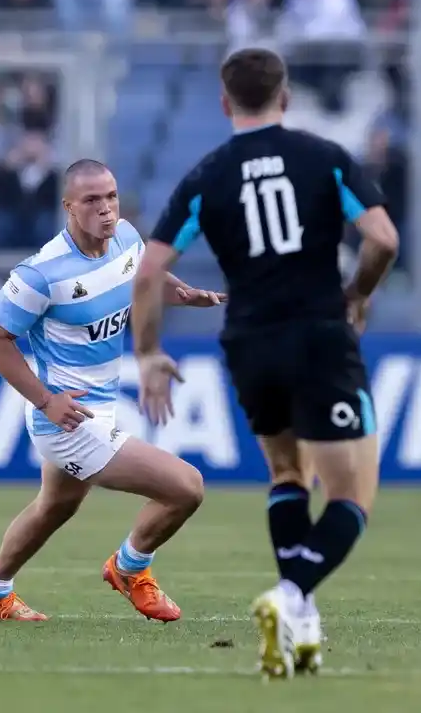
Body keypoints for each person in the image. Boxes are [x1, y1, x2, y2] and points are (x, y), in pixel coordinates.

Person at [130, 47, 399, 678]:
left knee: (286, 474)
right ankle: (291, 593)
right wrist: (358, 293)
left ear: (225, 103)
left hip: (248, 340)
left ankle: (297, 623)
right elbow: (383, 239)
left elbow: (148, 272)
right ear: (287, 97)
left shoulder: (207, 174)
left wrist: (147, 354)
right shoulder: (325, 157)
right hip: (317, 334)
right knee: (353, 492)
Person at [0, 160, 224, 622]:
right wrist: (46, 399)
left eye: (111, 197)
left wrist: (181, 293)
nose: (105, 209)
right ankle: (130, 568)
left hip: (98, 408)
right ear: (69, 207)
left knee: (55, 507)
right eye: (91, 201)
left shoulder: (125, 237)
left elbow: (138, 279)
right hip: (65, 419)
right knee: (186, 487)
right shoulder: (40, 274)